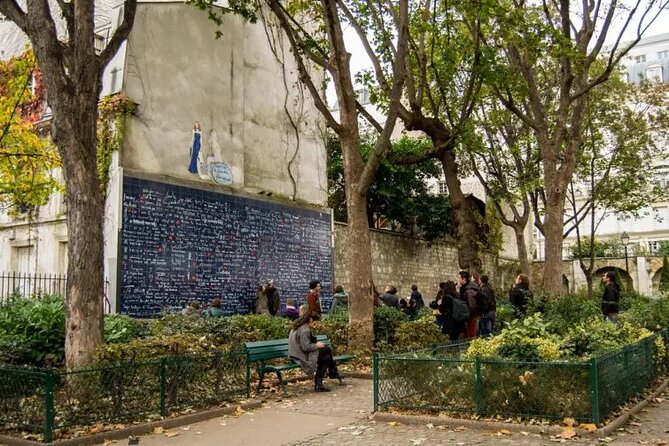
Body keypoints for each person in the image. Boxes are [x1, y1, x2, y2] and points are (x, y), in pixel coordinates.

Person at [288, 311, 342, 392]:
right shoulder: (304, 330)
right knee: (327, 349)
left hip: (297, 354)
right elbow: (305, 347)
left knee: (326, 358)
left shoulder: (299, 326)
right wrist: (316, 345)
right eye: (315, 322)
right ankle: (332, 372)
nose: (316, 325)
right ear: (310, 320)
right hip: (300, 357)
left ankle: (319, 385)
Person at [458, 271, 480, 339]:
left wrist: (466, 315)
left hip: (470, 316)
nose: (458, 280)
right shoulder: (465, 288)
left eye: (459, 278)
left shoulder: (469, 291)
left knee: (471, 334)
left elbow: (471, 305)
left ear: (464, 279)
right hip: (468, 316)